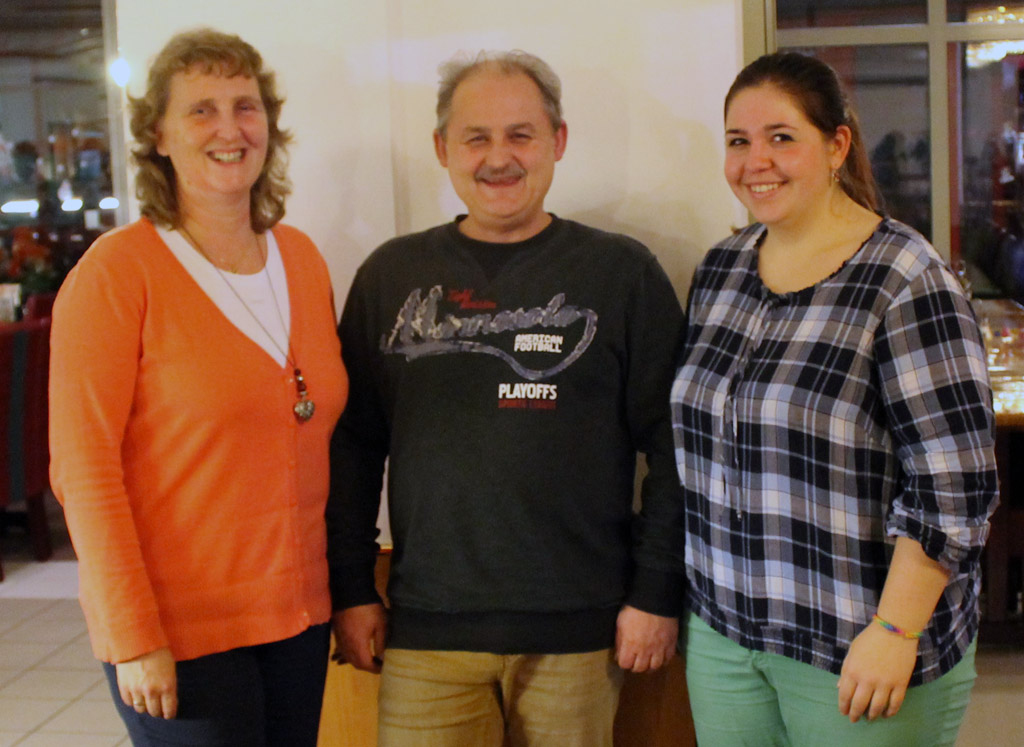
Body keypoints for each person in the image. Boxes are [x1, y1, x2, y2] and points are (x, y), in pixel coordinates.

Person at [326, 50, 685, 746]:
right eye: (476, 137)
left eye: (521, 134)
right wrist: (350, 584)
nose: (499, 158)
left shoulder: (621, 274)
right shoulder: (391, 276)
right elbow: (352, 444)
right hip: (426, 630)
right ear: (442, 149)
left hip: (581, 632)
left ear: (558, 141)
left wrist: (656, 589)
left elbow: (673, 445)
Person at [659, 51, 999, 746]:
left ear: (837, 144)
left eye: (782, 136)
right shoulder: (721, 269)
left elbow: (954, 484)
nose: (758, 161)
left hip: (860, 642)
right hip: (727, 636)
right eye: (738, 141)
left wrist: (896, 629)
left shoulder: (906, 278)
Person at [49, 28, 347, 746]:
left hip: (298, 617)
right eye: (201, 109)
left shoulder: (302, 259)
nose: (229, 129)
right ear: (158, 133)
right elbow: (82, 469)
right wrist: (130, 634)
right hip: (180, 630)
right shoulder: (118, 274)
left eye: (245, 106)